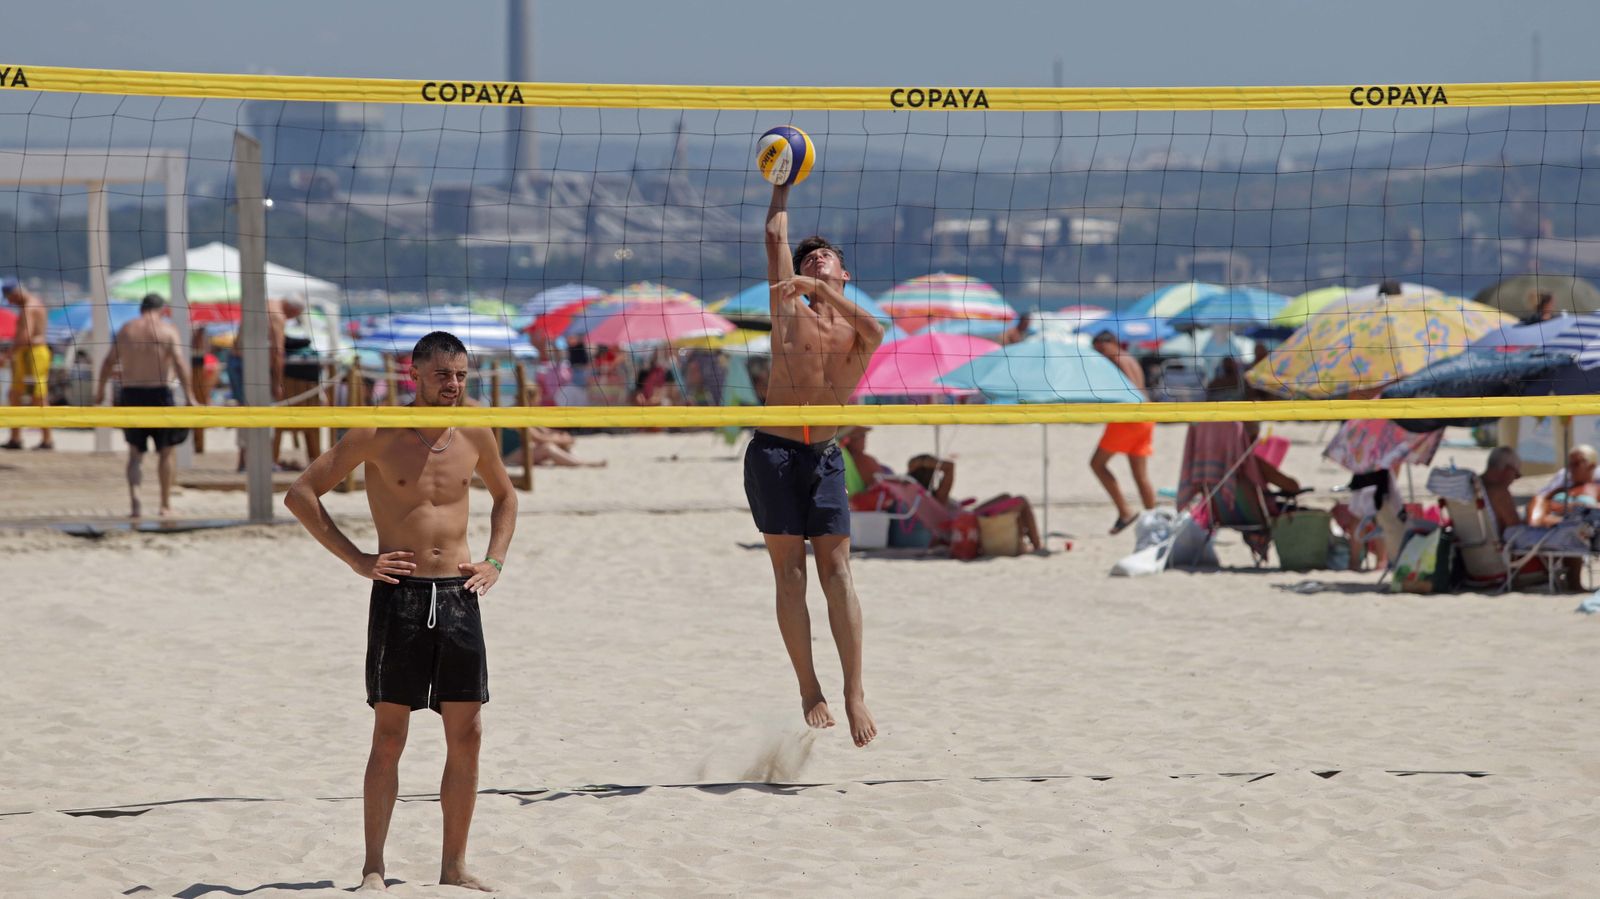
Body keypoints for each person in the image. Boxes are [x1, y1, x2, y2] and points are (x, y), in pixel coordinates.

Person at [283, 331, 517, 892]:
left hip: (460, 595)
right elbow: (301, 494)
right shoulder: (376, 430)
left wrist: (495, 561)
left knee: (469, 734)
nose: (454, 385)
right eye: (443, 375)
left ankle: (453, 866)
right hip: (401, 595)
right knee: (390, 736)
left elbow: (506, 497)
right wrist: (358, 560)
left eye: (461, 375)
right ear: (413, 374)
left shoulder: (476, 429)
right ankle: (373, 867)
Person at [749, 178, 886, 748]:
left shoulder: (856, 329)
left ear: (843, 274)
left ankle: (854, 691)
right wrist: (780, 189)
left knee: (839, 574)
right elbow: (774, 236)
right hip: (775, 453)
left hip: (825, 456)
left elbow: (879, 331)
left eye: (825, 256)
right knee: (791, 575)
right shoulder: (790, 313)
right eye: (809, 258)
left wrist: (820, 288)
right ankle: (811, 688)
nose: (815, 258)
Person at [94, 294, 198, 518]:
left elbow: (108, 362)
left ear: (141, 309)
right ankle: (165, 505)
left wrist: (100, 391)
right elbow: (179, 363)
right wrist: (190, 396)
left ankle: (136, 505)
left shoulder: (126, 329)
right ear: (162, 309)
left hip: (131, 394)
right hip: (160, 393)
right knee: (166, 453)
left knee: (134, 455)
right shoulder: (167, 329)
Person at [905, 453, 1044, 553]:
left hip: (965, 519)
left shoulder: (919, 495)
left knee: (1006, 496)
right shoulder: (939, 495)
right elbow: (950, 466)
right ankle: (1037, 546)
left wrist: (920, 463)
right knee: (1021, 501)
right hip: (970, 522)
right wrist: (925, 461)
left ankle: (1024, 541)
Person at [1089, 330, 1156, 533]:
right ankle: (1154, 519)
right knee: (1140, 475)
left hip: (1129, 416)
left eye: (1100, 349)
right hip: (1147, 416)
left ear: (1109, 343)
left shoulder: (1116, 360)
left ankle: (1125, 511)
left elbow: (1129, 391)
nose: (1099, 354)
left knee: (1097, 464)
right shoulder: (1130, 358)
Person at [3, 277, 54, 450]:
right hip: (31, 353)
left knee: (38, 397)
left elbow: (25, 337)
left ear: (15, 293)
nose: (9, 302)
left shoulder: (28, 308)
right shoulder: (34, 304)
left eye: (9, 298)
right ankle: (16, 438)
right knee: (15, 394)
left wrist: (8, 355)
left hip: (33, 354)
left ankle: (47, 440)